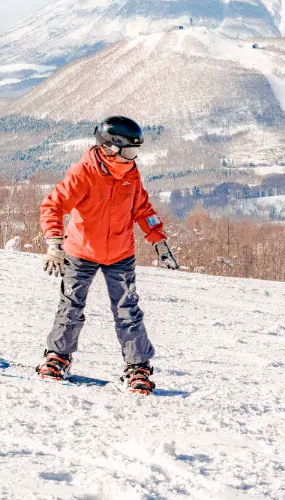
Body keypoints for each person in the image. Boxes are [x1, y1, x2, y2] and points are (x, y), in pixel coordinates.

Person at [37, 116, 179, 394]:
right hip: (81, 252)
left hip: (120, 254)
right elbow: (53, 205)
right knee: (71, 305)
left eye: (136, 152)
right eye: (129, 151)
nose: (133, 158)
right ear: (110, 147)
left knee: (128, 311)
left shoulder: (130, 174)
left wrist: (158, 240)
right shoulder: (84, 173)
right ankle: (57, 357)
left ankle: (138, 367)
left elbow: (143, 209)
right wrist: (54, 242)